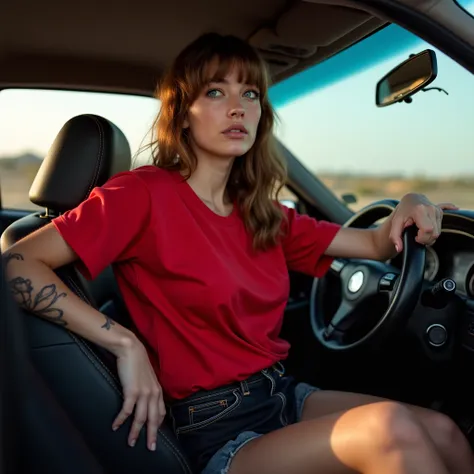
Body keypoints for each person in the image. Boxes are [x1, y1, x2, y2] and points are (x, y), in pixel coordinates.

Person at [3, 32, 473, 474]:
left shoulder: (261, 213)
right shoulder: (141, 194)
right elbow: (15, 265)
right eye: (215, 92)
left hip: (281, 394)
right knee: (392, 431)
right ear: (183, 111)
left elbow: (373, 244)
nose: (237, 108)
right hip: (213, 427)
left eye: (250, 94)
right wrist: (123, 342)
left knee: (445, 432)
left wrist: (410, 204)